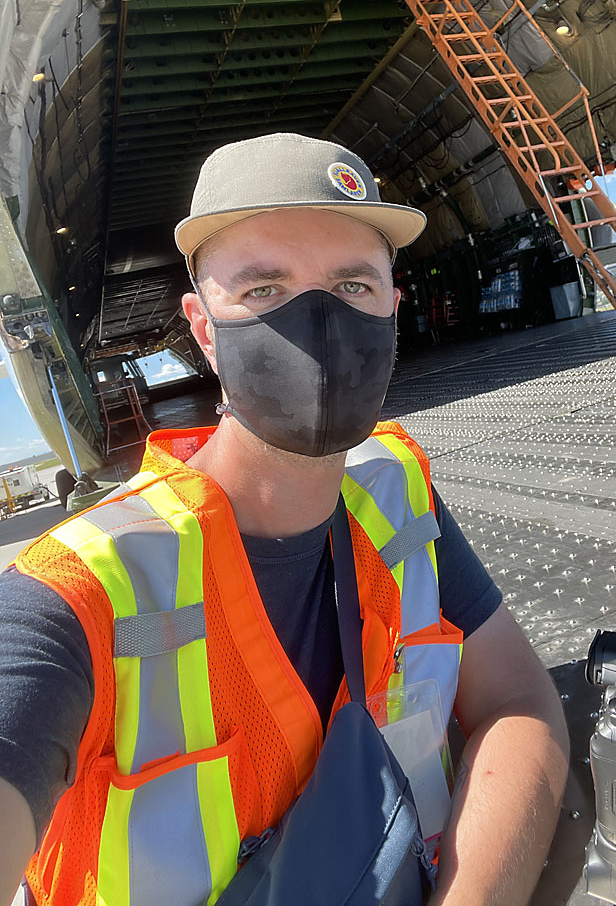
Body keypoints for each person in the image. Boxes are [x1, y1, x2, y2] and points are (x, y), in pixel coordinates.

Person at [0, 134, 569, 906]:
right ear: (203, 329)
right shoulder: (75, 596)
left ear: (393, 310)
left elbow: (520, 703)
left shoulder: (396, 494)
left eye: (353, 285)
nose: (321, 325)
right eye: (265, 290)